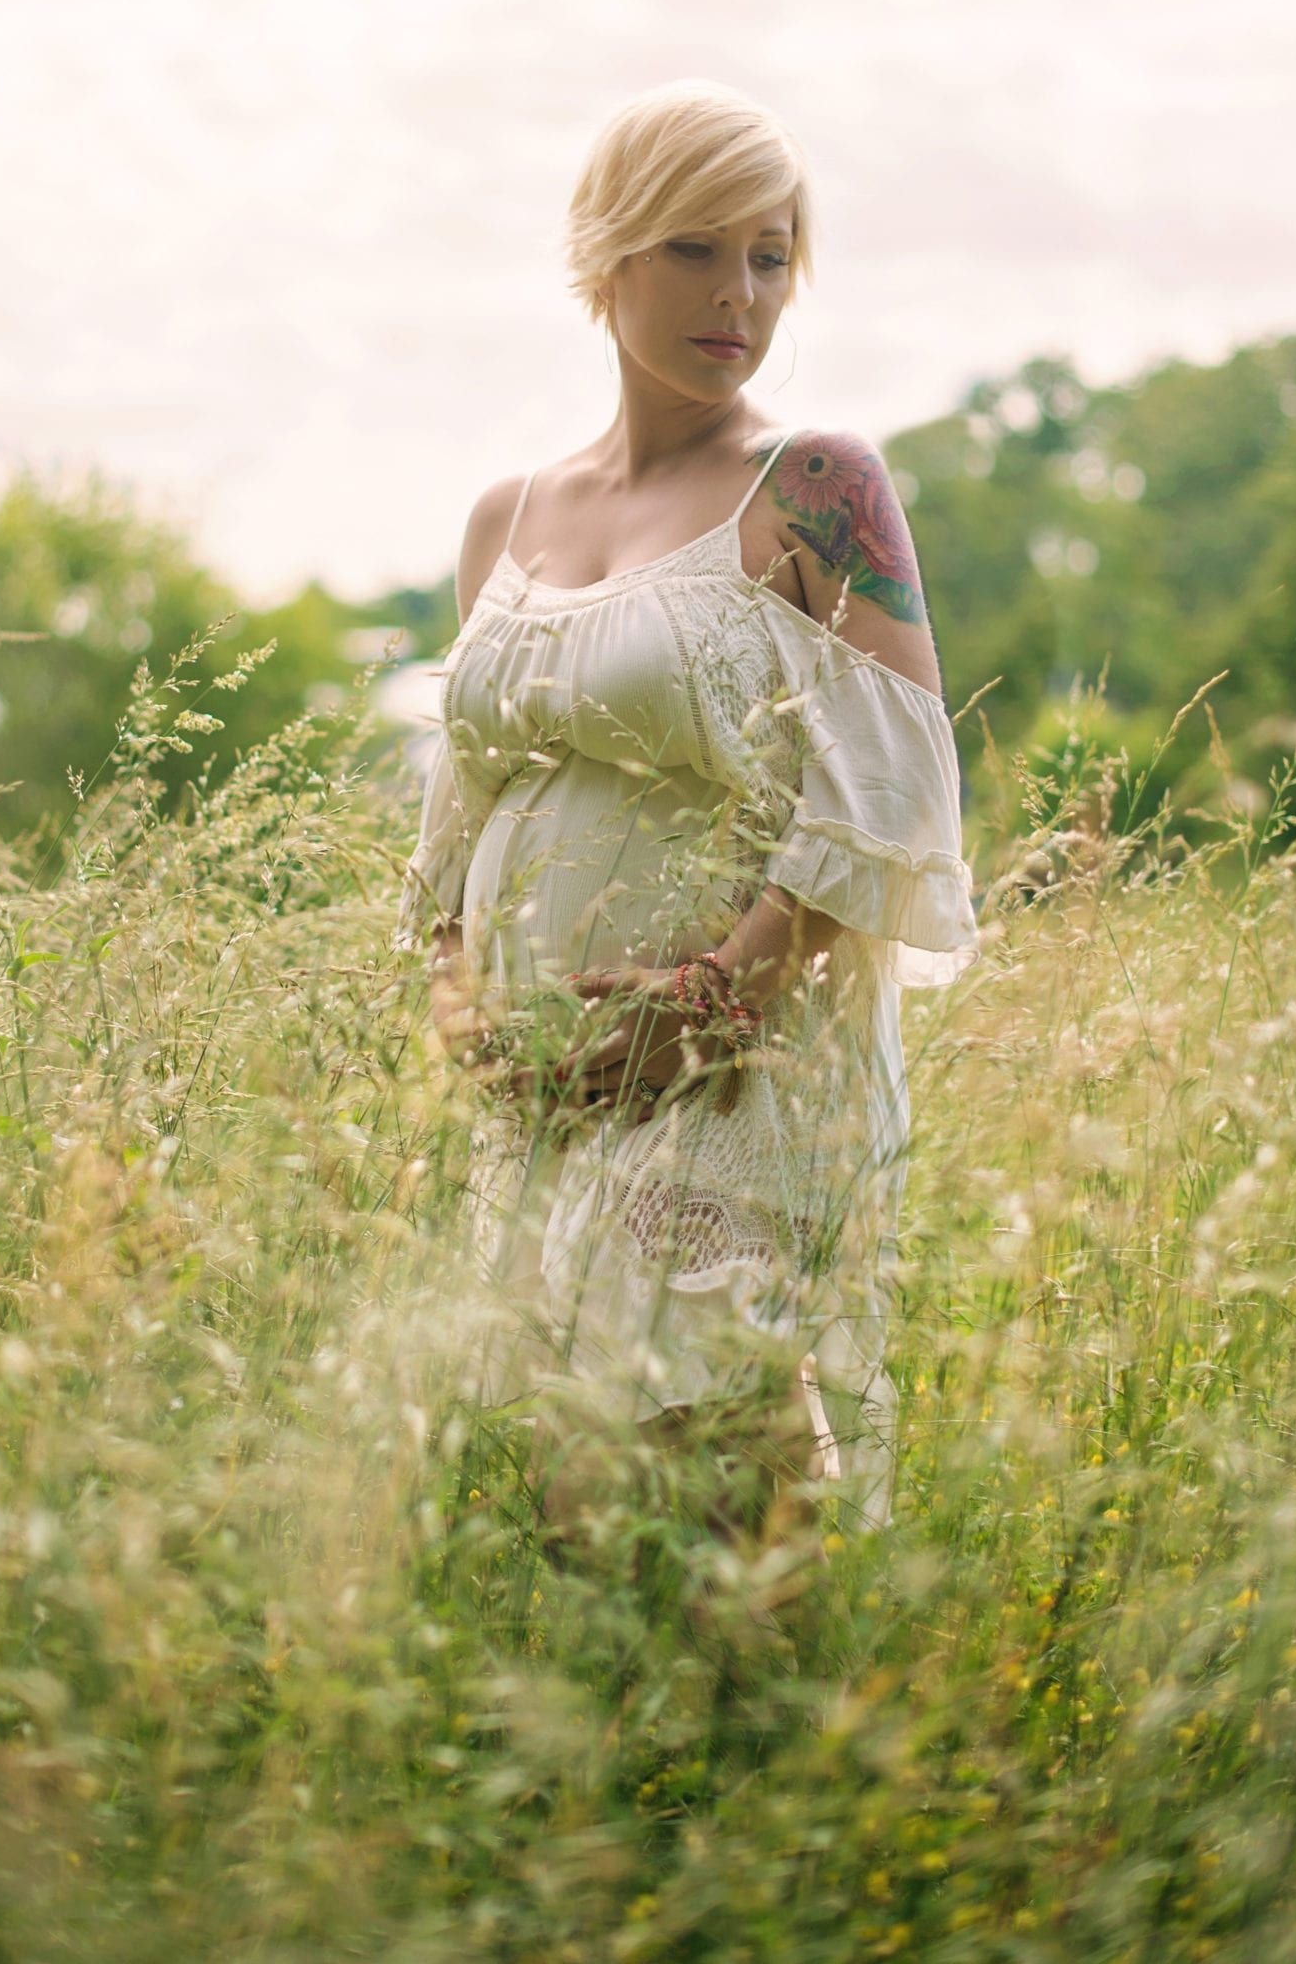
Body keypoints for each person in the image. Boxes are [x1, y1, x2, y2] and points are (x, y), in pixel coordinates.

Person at [394, 78, 978, 1547]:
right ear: (609, 254)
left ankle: (783, 1765)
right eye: (696, 251)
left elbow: (892, 787)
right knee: (569, 1499)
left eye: (771, 255)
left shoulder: (816, 485)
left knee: (715, 1476)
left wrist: (717, 995)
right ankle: (635, 1773)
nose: (741, 295)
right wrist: (460, 1003)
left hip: (729, 1066)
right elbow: (463, 813)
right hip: (545, 1085)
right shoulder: (503, 518)